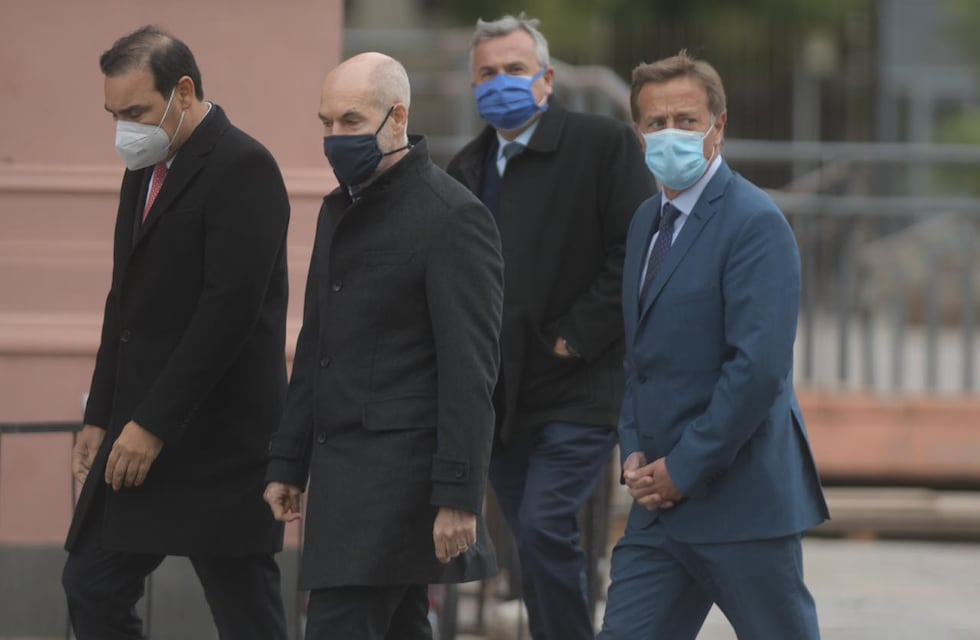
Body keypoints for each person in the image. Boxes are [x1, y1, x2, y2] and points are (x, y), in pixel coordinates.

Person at [262, 52, 504, 640]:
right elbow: (316, 343)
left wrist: (458, 496)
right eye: (326, 123)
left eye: (349, 121)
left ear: (397, 118)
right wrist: (288, 461)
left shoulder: (453, 217)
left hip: (398, 489)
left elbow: (470, 372)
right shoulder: (337, 209)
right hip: (342, 482)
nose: (334, 137)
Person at [60, 26, 291, 640]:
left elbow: (228, 313)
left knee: (247, 615)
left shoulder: (246, 166)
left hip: (218, 443)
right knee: (90, 584)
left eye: (134, 112)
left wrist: (152, 424)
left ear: (182, 91)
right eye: (113, 114)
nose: (122, 131)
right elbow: (125, 300)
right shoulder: (145, 167)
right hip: (139, 433)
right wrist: (100, 413)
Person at [597, 50, 831, 639]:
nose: (669, 134)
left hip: (742, 502)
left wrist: (685, 467)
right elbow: (640, 357)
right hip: (658, 510)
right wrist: (633, 451)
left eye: (686, 120)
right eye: (655, 123)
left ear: (718, 127)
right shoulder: (644, 222)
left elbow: (757, 371)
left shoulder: (756, 223)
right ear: (638, 132)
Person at [445, 14, 655, 640]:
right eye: (487, 73)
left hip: (579, 386)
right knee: (529, 547)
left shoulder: (603, 144)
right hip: (501, 395)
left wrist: (575, 337)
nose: (500, 83)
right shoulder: (465, 168)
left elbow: (634, 250)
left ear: (547, 79)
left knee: (544, 526)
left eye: (514, 70)